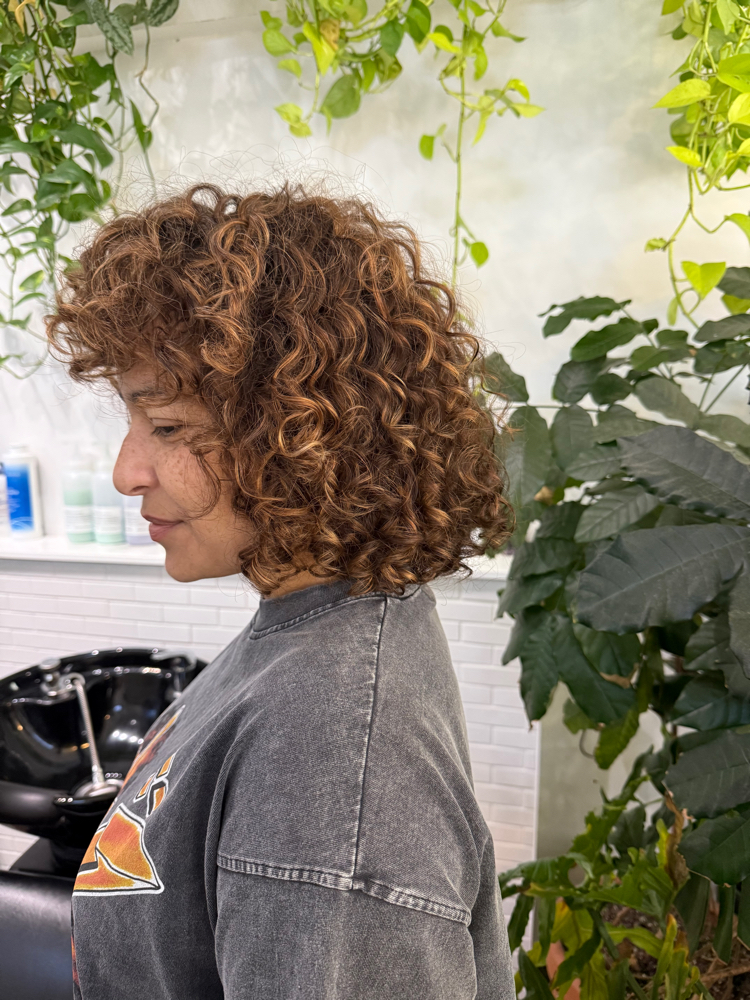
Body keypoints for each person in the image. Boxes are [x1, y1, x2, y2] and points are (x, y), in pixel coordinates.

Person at [47, 183, 515, 1000]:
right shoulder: (317, 626)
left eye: (168, 428)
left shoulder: (332, 754)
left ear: (305, 434)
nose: (127, 472)